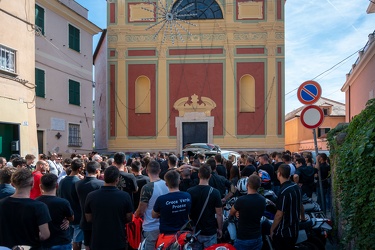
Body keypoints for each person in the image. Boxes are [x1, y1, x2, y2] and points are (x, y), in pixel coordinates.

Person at [85, 166, 133, 250]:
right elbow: (129, 218)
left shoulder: (91, 196)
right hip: (117, 239)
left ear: (104, 178)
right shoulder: (125, 196)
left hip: (98, 239)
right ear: (117, 180)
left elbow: (88, 218)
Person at [0, 168, 51, 248]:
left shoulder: (1, 204)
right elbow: (45, 235)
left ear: (12, 183)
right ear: (32, 183)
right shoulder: (39, 206)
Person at [152, 170, 192, 249]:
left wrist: (164, 212)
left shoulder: (161, 199)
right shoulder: (187, 196)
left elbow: (154, 215)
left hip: (167, 237)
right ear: (179, 181)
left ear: (166, 184)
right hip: (183, 236)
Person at [187, 164, 223, 249]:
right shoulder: (215, 192)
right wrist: (220, 229)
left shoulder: (190, 191)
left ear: (198, 175)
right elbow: (219, 214)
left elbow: (187, 213)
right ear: (210, 176)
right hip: (210, 231)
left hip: (195, 231)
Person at [135, 160, 169, 249]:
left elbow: (141, 211)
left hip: (150, 228)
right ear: (159, 171)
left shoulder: (147, 187)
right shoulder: (167, 184)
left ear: (146, 171)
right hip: (166, 227)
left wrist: (135, 215)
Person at [270, 164, 305, 250]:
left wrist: (272, 229)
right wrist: (303, 218)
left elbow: (279, 215)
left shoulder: (283, 191)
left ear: (279, 174)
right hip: (295, 230)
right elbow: (301, 205)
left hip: (284, 232)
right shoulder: (296, 187)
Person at [37, 173, 74, 249]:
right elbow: (71, 217)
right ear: (57, 185)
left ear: (41, 186)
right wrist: (67, 220)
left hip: (43, 242)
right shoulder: (63, 202)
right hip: (61, 241)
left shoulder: (36, 202)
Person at [230, 174, 266, 250]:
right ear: (259, 186)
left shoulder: (241, 200)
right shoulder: (262, 200)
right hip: (257, 237)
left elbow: (232, 211)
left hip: (243, 238)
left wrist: (236, 212)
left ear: (247, 185)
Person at [75, 161, 104, 250]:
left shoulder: (78, 184)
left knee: (87, 244)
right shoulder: (101, 184)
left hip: (84, 219)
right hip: (99, 220)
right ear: (97, 171)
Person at [57, 158, 84, 250]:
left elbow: (59, 196)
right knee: (77, 241)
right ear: (79, 169)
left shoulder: (62, 181)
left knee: (70, 240)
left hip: (66, 216)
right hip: (78, 215)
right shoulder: (79, 183)